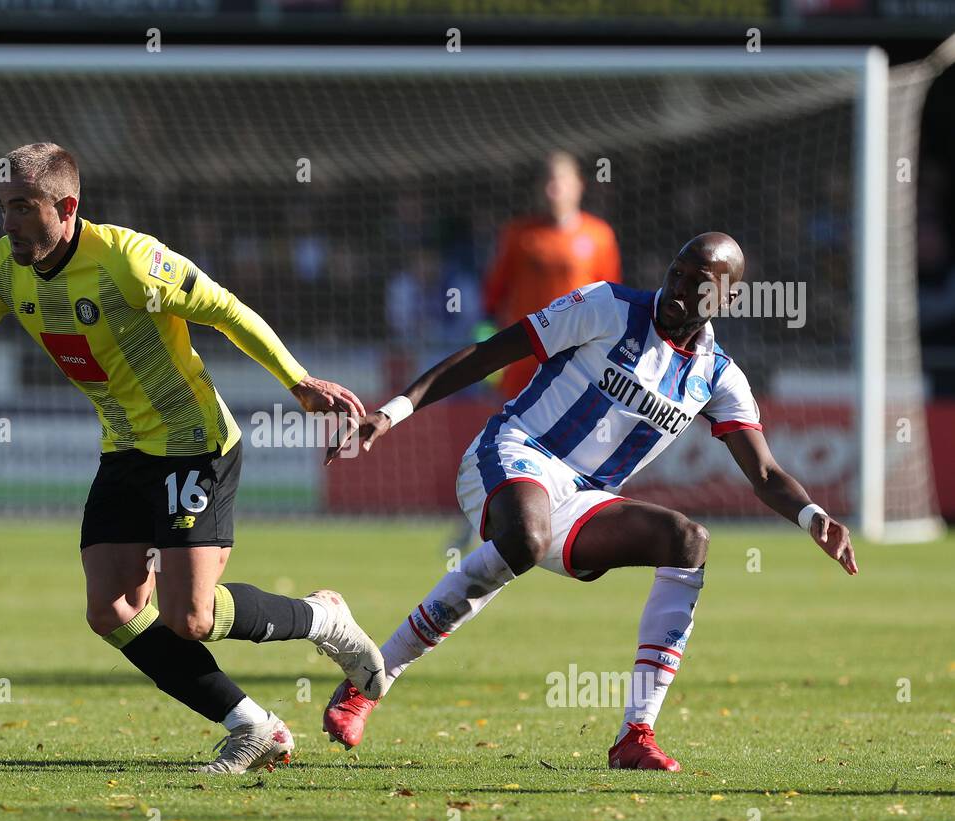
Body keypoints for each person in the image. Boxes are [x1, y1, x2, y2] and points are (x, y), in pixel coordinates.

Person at [0, 142, 386, 774]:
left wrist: (297, 381)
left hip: (193, 443)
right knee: (112, 608)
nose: (8, 223)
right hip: (125, 449)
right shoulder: (4, 268)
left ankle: (324, 619)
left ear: (66, 206)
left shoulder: (130, 262)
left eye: (22, 208)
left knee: (191, 617)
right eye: (2, 207)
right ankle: (253, 727)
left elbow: (226, 310)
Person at [324, 232, 857, 771]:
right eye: (676, 271)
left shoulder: (718, 377)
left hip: (583, 497)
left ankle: (635, 736)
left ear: (727, 301)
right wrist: (393, 411)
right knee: (526, 538)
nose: (677, 289)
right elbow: (492, 351)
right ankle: (370, 681)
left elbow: (765, 473)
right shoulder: (608, 306)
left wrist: (813, 516)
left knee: (687, 540)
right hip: (513, 452)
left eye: (698, 284)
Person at [482, 151, 621, 400]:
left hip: (578, 356)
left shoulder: (600, 235)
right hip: (525, 355)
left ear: (579, 185)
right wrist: (490, 351)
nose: (554, 187)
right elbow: (493, 296)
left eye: (560, 179)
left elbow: (612, 298)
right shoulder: (518, 234)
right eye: (548, 180)